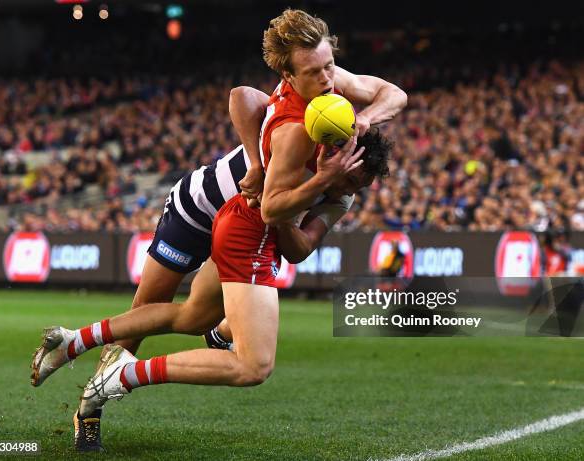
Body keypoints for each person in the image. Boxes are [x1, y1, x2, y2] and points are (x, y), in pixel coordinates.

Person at [31, 8, 405, 452]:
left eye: (329, 66)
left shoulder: (333, 102)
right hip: (201, 205)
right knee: (146, 312)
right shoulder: (294, 126)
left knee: (192, 318)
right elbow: (243, 99)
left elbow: (394, 94)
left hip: (247, 220)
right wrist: (258, 162)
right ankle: (91, 406)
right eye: (313, 71)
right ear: (288, 74)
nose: (326, 78)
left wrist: (366, 119)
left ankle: (85, 350)